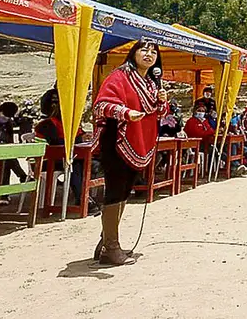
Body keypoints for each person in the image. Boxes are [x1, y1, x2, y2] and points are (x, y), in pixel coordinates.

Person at [90, 40, 168, 266]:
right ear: (133, 53)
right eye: (144, 49)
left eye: (154, 51)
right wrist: (125, 112)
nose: (149, 54)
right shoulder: (120, 76)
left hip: (139, 141)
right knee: (115, 190)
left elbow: (158, 112)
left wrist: (162, 101)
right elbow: (101, 105)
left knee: (124, 190)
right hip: (117, 139)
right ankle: (110, 248)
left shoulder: (152, 83)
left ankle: (105, 241)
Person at [34, 87, 100, 215]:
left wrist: (80, 137)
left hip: (65, 157)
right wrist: (77, 139)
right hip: (47, 160)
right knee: (74, 164)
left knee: (84, 163)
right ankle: (82, 199)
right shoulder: (47, 124)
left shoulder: (67, 124)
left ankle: (82, 198)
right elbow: (56, 144)